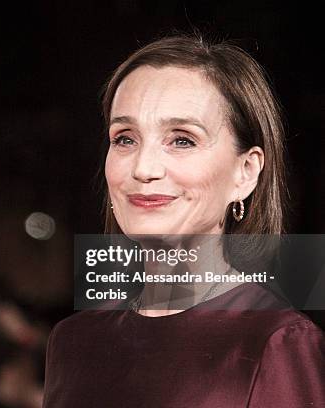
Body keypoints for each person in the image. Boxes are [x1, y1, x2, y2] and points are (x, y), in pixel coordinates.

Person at [42, 34, 325, 407]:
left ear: (245, 172)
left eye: (182, 140)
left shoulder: (276, 340)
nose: (143, 168)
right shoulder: (72, 341)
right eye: (125, 138)